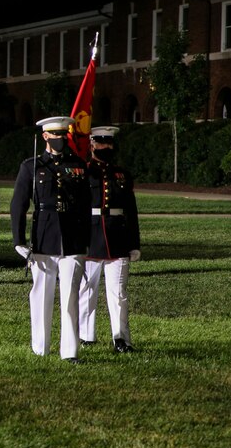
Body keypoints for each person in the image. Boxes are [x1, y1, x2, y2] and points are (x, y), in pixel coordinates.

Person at [10, 115, 91, 364]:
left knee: (70, 297)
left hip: (72, 237)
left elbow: (87, 205)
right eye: (54, 135)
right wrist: (18, 240)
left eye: (62, 135)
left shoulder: (77, 165)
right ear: (45, 136)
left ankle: (69, 351)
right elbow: (18, 205)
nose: (59, 139)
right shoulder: (31, 166)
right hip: (44, 235)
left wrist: (87, 240)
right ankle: (40, 347)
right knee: (42, 294)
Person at [77, 126, 141, 353]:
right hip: (90, 237)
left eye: (109, 143)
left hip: (117, 238)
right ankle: (85, 335)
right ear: (92, 144)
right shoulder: (83, 172)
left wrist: (134, 243)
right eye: (101, 143)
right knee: (87, 290)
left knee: (119, 294)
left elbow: (131, 211)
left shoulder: (121, 174)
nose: (106, 147)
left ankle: (121, 339)